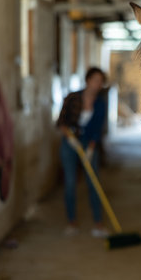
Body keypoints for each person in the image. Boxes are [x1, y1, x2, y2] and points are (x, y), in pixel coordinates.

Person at [57, 67, 109, 238]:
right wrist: (70, 139)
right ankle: (71, 222)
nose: (97, 84)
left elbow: (98, 129)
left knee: (94, 182)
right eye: (95, 80)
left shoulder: (101, 103)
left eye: (100, 82)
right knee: (70, 183)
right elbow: (61, 122)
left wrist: (91, 148)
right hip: (70, 141)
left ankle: (98, 223)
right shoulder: (73, 97)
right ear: (87, 80)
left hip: (89, 143)